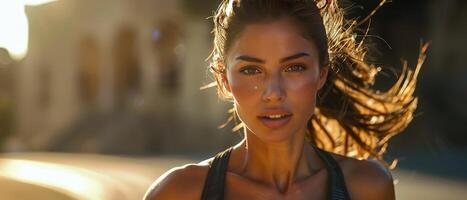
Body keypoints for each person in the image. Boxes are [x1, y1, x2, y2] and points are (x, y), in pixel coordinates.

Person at [144, 0, 428, 199]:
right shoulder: (179, 193)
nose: (273, 92)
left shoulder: (366, 188)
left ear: (321, 73)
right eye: (252, 70)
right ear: (224, 79)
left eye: (294, 67)